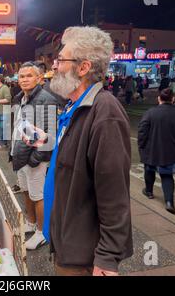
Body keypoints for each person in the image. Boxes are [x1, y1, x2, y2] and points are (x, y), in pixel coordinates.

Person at [40, 27, 133, 276]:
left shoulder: (105, 113)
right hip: (65, 236)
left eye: (61, 60)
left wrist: (107, 256)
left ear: (83, 68)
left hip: (81, 255)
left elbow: (115, 193)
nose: (55, 66)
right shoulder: (75, 104)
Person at [9, 62, 58, 250]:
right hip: (21, 154)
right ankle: (30, 223)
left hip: (34, 158)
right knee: (26, 191)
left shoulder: (47, 99)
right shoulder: (21, 97)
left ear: (39, 78)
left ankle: (41, 232)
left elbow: (50, 135)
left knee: (38, 195)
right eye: (21, 76)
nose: (24, 79)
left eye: (29, 76)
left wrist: (34, 159)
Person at [138, 88, 175, 214]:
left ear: (159, 99)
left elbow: (142, 131)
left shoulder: (151, 112)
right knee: (167, 176)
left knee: (149, 170)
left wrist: (141, 145)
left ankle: (149, 191)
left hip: (151, 148)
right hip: (170, 149)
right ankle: (169, 202)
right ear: (173, 99)